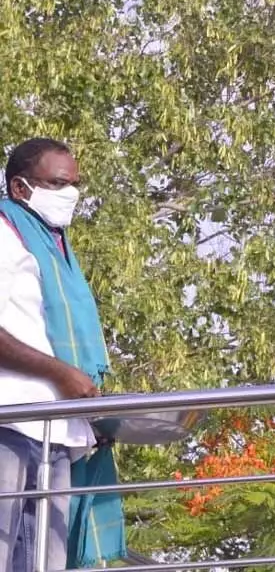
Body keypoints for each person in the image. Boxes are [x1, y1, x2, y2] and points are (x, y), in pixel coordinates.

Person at [0, 138, 125, 571]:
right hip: (10, 425)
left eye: (75, 184)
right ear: (19, 187)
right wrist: (59, 373)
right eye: (57, 183)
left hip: (54, 431)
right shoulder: (4, 234)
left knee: (46, 563)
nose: (70, 194)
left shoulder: (56, 247)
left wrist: (93, 410)